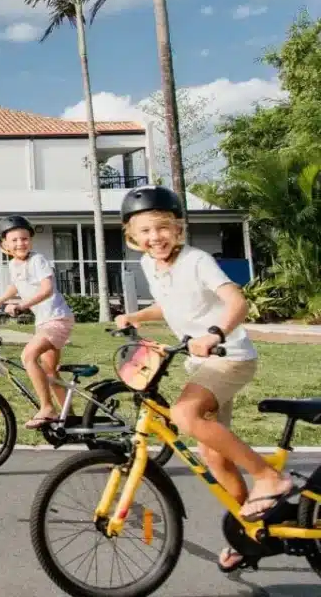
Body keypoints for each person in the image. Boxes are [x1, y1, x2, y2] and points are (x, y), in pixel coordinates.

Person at [114, 184, 300, 574]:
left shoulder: (197, 260)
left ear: (178, 228)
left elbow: (236, 301)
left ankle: (269, 477)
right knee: (214, 455)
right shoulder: (150, 265)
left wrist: (214, 333)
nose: (155, 237)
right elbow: (171, 305)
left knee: (184, 414)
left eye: (162, 227)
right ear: (132, 237)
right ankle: (250, 532)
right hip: (201, 365)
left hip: (228, 357)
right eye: (145, 231)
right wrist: (136, 317)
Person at [0, 215, 75, 430]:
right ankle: (69, 417)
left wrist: (22, 306)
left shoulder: (37, 260)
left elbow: (47, 289)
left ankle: (47, 408)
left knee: (28, 356)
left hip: (57, 318)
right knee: (50, 371)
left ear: (30, 241)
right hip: (44, 321)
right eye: (14, 240)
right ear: (4, 244)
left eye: (24, 239)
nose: (20, 243)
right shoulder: (14, 264)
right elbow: (15, 286)